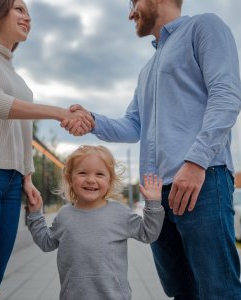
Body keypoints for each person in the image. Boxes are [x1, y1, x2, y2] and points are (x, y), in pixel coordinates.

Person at [62, 0, 241, 299]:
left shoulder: (204, 27)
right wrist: (92, 120)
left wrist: (196, 163)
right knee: (180, 291)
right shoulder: (146, 71)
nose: (130, 12)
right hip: (158, 196)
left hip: (203, 182)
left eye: (133, 3)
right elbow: (133, 126)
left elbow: (226, 95)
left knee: (218, 291)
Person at [0, 0, 94, 299]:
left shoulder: (17, 76)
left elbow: (21, 131)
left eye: (29, 13)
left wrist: (27, 176)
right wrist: (59, 112)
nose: (28, 18)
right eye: (19, 9)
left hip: (11, 184)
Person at [26, 145, 165, 300]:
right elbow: (46, 243)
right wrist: (35, 214)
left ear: (109, 180)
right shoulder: (64, 215)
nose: (91, 180)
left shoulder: (120, 213)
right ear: (70, 178)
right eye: (82, 173)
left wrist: (153, 204)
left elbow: (149, 234)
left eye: (100, 174)